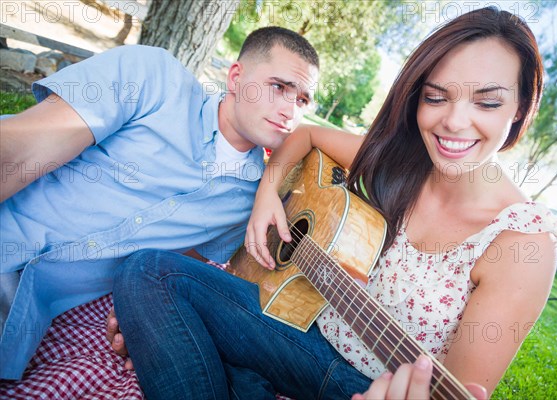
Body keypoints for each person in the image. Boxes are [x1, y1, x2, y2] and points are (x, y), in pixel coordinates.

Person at [113, 6, 557, 400]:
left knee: (157, 300)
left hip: (357, 383)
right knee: (147, 270)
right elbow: (305, 134)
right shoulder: (405, 163)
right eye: (435, 97)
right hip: (301, 322)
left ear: (521, 108)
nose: (453, 121)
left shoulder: (522, 243)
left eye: (487, 103)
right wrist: (267, 193)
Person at [0, 26, 319, 380]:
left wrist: (144, 313)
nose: (290, 110)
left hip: (23, 314)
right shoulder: (153, 77)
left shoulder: (248, 202)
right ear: (236, 77)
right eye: (279, 87)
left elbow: (177, 264)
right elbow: (21, 147)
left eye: (302, 100)